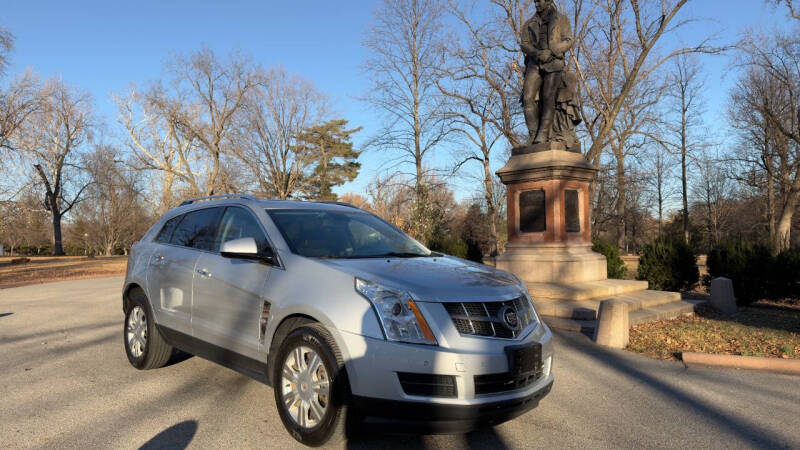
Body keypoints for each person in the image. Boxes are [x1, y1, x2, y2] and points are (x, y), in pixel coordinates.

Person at [520, 0, 574, 145]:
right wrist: (537, 54)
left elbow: (568, 40)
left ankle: (543, 134)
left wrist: (553, 51)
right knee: (527, 98)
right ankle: (533, 134)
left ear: (549, 1)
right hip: (535, 63)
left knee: (548, 96)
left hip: (554, 61)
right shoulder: (529, 23)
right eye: (535, 1)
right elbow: (524, 43)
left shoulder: (561, 18)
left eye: (540, 1)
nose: (536, 4)